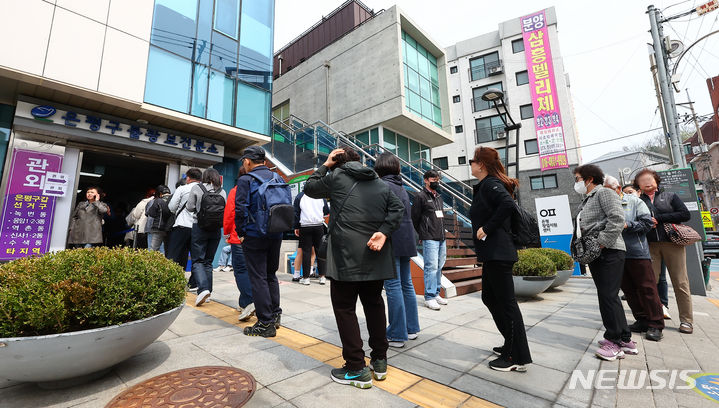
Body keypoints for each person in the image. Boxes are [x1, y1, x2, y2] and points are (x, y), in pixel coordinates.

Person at [304, 147, 404, 390]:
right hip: (374, 255)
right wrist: (383, 231)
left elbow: (309, 187)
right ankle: (379, 362)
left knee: (345, 308)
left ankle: (356, 367)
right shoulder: (380, 184)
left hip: (346, 258)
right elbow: (397, 209)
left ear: (339, 161)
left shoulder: (337, 177)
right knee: (374, 305)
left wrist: (326, 164)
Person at [469, 147, 532, 372]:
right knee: (490, 298)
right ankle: (511, 343)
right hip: (494, 254)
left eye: (472, 161)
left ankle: (516, 356)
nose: (470, 164)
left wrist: (486, 227)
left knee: (506, 304)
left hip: (499, 253)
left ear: (482, 165)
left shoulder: (491, 184)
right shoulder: (488, 185)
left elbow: (507, 205)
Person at [573, 164, 636, 361]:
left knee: (608, 296)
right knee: (609, 295)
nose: (576, 183)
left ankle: (614, 341)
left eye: (577, 179)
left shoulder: (604, 193)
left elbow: (617, 219)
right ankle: (625, 339)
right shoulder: (587, 199)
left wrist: (600, 244)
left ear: (589, 179)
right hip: (599, 253)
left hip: (609, 250)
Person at [605, 176, 664, 341]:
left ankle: (656, 324)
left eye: (607, 190)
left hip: (636, 251)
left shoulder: (633, 201)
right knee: (629, 289)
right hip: (616, 253)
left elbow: (647, 224)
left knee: (647, 288)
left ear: (617, 189)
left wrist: (627, 225)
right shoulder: (606, 205)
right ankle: (642, 319)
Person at [636, 168, 694, 334]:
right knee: (649, 283)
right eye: (643, 180)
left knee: (680, 282)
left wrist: (659, 219)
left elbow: (684, 214)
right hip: (650, 245)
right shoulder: (638, 200)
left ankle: (687, 321)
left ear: (656, 181)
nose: (647, 182)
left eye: (650, 179)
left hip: (673, 243)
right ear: (638, 184)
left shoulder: (669, 196)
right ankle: (654, 318)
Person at [236, 146, 286, 337]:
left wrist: (241, 232)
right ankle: (274, 314)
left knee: (257, 277)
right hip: (276, 232)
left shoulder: (246, 180)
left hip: (255, 234)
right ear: (264, 162)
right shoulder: (277, 178)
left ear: (248, 161)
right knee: (270, 274)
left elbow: (240, 209)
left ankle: (265, 323)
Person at [374, 153, 420, 349]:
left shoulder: (382, 186)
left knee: (393, 286)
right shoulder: (401, 187)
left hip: (391, 240)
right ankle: (411, 328)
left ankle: (397, 334)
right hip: (406, 240)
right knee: (406, 285)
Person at [187, 168, 226, 306]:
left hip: (199, 227)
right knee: (208, 261)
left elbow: (189, 207)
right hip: (216, 229)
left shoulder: (197, 188)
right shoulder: (222, 191)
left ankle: (203, 289)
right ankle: (208, 292)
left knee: (198, 260)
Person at [411, 169, 447, 310]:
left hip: (441, 236)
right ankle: (429, 296)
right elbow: (415, 218)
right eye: (433, 179)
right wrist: (422, 233)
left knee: (439, 266)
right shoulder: (420, 196)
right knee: (431, 267)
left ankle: (436, 292)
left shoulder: (439, 196)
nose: (436, 181)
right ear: (426, 180)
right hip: (429, 236)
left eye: (437, 179)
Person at [224, 166, 254, 322]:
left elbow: (230, 213)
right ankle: (243, 304)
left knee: (241, 270)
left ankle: (250, 301)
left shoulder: (235, 191)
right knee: (254, 271)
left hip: (239, 236)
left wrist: (227, 232)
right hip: (257, 235)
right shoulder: (259, 188)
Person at [168, 168, 202, 290]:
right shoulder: (204, 190)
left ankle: (173, 281)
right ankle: (193, 283)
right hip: (198, 227)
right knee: (196, 256)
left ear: (188, 178)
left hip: (181, 225)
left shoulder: (182, 189)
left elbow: (171, 207)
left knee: (175, 254)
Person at [293, 184, 329, 285]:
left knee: (306, 252)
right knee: (320, 251)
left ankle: (306, 278)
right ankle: (322, 277)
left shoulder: (300, 196)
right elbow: (326, 211)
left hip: (305, 226)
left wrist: (296, 226)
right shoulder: (321, 196)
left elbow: (296, 213)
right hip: (318, 226)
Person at [145, 185, 173, 254]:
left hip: (158, 227)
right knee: (167, 250)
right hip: (170, 228)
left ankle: (152, 264)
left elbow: (151, 213)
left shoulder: (157, 201)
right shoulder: (173, 199)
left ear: (160, 194)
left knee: (153, 250)